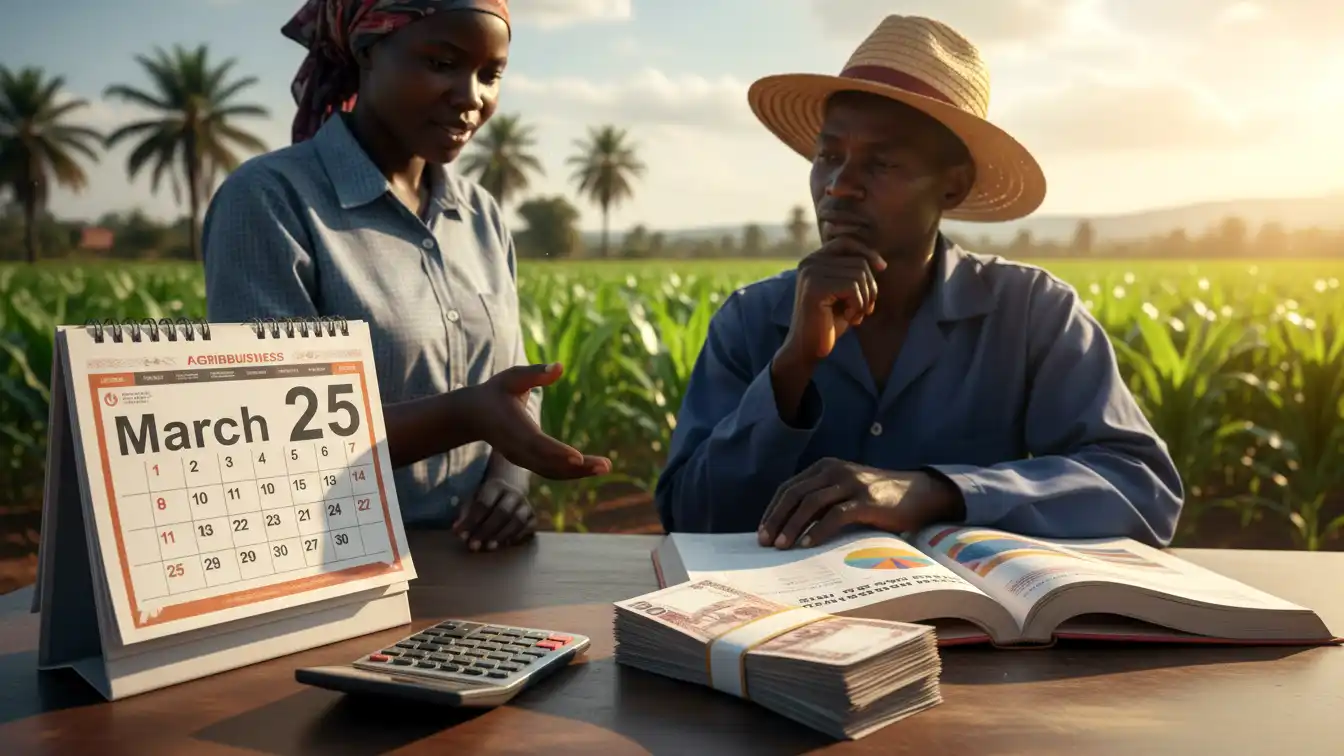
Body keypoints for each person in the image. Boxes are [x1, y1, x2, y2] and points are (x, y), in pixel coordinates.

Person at [653, 15, 1184, 550]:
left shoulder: (1031, 314)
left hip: (976, 628)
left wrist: (936, 492)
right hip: (791, 628)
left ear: (952, 187)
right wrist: (790, 369)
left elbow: (1142, 489)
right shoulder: (751, 321)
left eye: (881, 164)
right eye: (829, 157)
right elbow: (687, 519)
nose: (839, 188)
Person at [201, 0, 609, 552]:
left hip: (478, 569)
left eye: (490, 75)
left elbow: (516, 384)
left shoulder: (481, 215)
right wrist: (465, 415)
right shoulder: (271, 201)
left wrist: (508, 484)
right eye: (442, 63)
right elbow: (271, 429)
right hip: (332, 568)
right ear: (368, 51)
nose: (472, 98)